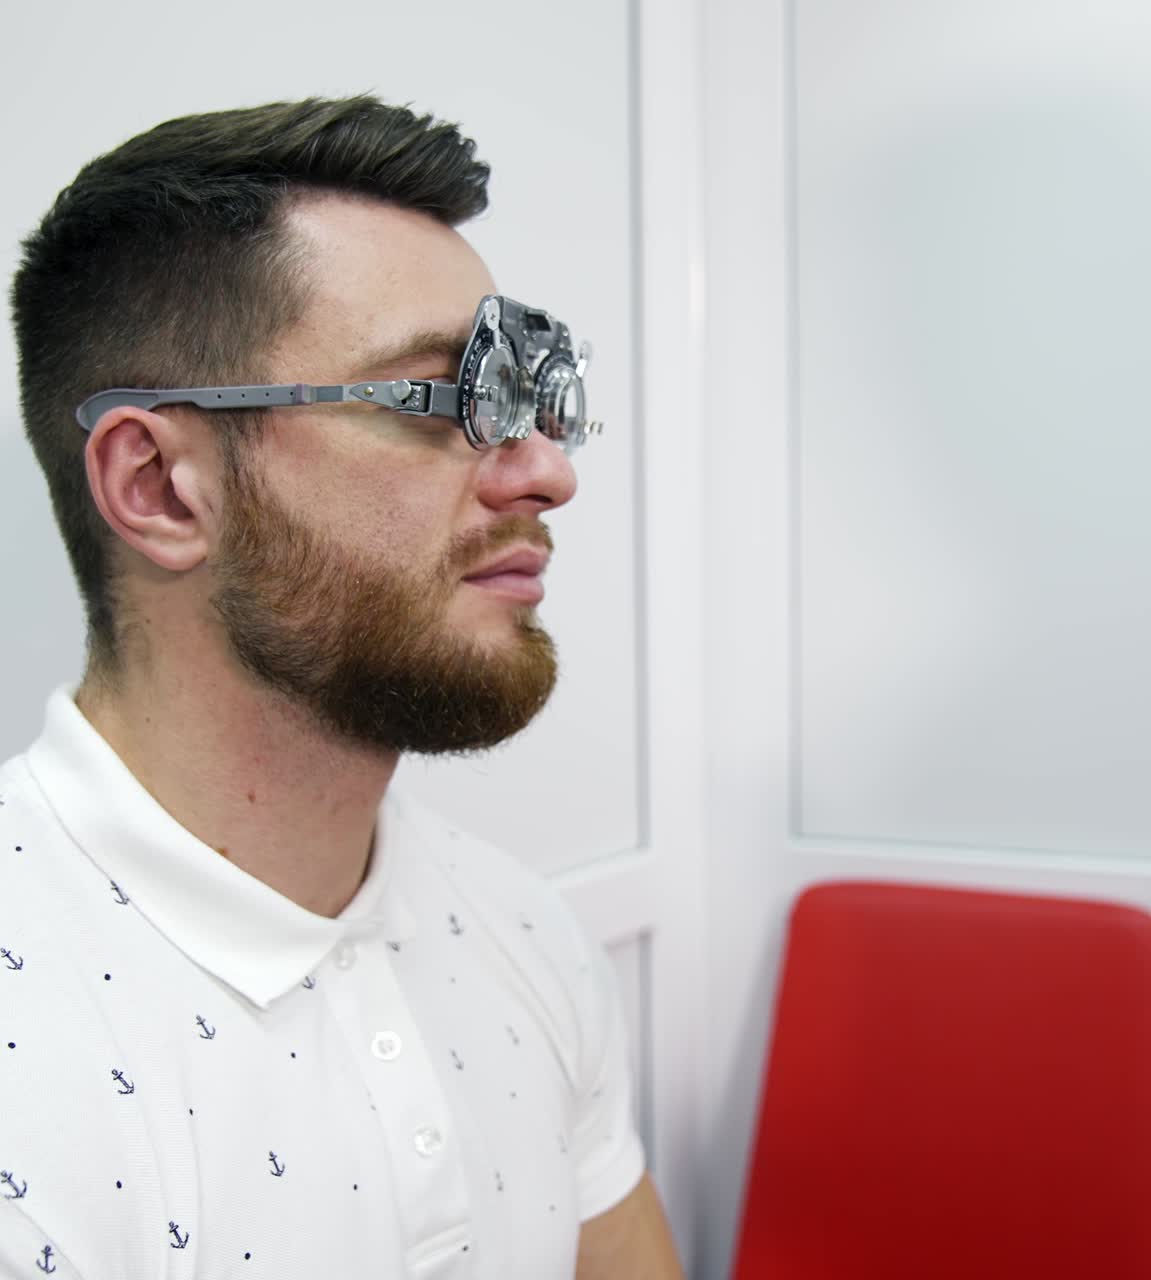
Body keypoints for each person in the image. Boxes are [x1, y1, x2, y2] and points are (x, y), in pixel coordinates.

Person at [0, 95, 683, 1279]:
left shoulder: (519, 928)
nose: (546, 472)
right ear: (161, 487)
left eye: (524, 400)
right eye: (438, 397)